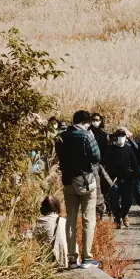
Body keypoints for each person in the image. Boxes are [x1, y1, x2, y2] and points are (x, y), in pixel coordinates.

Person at [56, 109, 102, 268]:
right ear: (87, 122)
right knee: (88, 220)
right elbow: (96, 157)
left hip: (68, 181)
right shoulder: (87, 135)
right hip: (86, 182)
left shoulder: (61, 136)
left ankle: (72, 259)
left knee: (71, 220)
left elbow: (59, 156)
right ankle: (87, 258)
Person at [105, 128, 139, 229]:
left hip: (127, 179)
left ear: (125, 137)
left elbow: (135, 164)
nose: (120, 138)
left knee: (127, 201)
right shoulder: (111, 149)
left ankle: (124, 215)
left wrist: (134, 176)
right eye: (118, 136)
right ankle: (117, 219)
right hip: (114, 179)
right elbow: (106, 163)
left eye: (122, 136)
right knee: (114, 200)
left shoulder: (129, 149)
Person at [32, 196, 68, 268]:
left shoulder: (42, 221)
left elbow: (32, 236)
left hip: (53, 262)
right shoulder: (65, 221)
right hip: (69, 260)